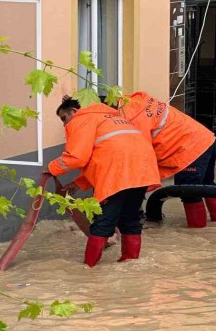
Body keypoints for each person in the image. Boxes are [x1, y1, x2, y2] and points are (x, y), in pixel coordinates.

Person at [48, 98, 161, 267]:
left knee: (103, 222)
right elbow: (108, 154)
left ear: (73, 111)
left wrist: (50, 168)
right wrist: (79, 183)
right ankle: (130, 263)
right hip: (143, 171)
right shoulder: (112, 118)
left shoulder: (81, 120)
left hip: (119, 174)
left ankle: (89, 268)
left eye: (64, 118)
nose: (65, 124)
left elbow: (77, 158)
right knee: (130, 219)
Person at [118, 91, 216, 228]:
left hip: (189, 149)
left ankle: (198, 235)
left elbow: (141, 156)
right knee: (207, 184)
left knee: (188, 191)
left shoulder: (131, 120)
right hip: (205, 138)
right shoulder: (136, 102)